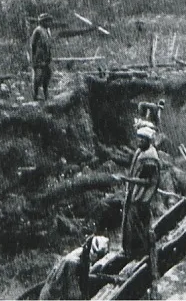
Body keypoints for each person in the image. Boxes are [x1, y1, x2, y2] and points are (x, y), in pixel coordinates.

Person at [114, 125, 160, 258]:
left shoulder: (150, 157)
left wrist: (129, 179)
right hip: (134, 192)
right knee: (129, 223)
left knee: (137, 224)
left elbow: (148, 181)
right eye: (138, 139)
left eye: (142, 140)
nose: (139, 142)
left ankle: (139, 254)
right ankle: (129, 252)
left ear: (148, 141)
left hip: (142, 196)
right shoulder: (141, 151)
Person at [39, 235, 116, 300]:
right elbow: (73, 294)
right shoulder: (74, 262)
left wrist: (108, 279)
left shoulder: (82, 254)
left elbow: (84, 278)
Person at [30, 13, 53, 101]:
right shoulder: (38, 30)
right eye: (47, 21)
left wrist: (49, 56)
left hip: (46, 57)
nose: (49, 23)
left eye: (50, 21)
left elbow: (49, 44)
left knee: (47, 76)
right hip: (38, 58)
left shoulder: (47, 31)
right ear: (42, 22)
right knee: (38, 77)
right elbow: (33, 44)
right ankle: (35, 95)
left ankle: (46, 94)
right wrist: (34, 59)